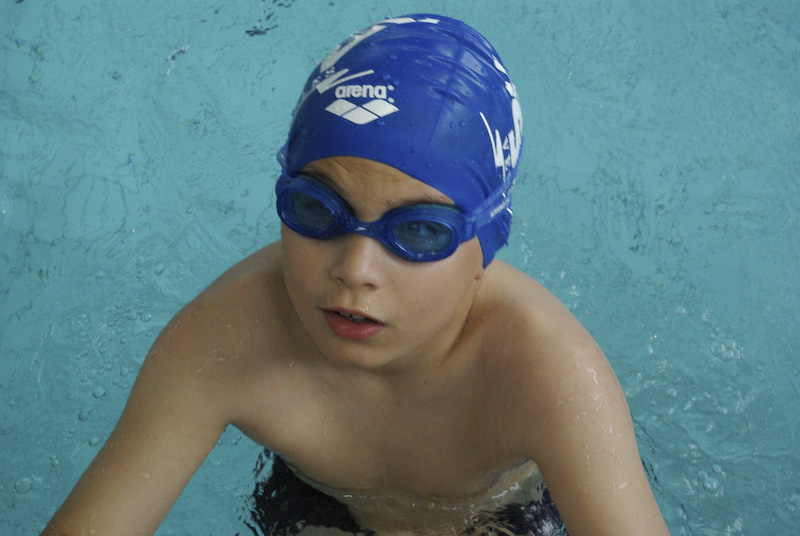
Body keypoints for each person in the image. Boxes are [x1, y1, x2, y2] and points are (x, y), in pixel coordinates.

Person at [42, 14, 670, 536]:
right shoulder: (225, 338)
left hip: (501, 516)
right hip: (316, 505)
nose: (354, 270)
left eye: (418, 232)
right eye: (318, 209)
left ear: (487, 246)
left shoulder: (548, 373)